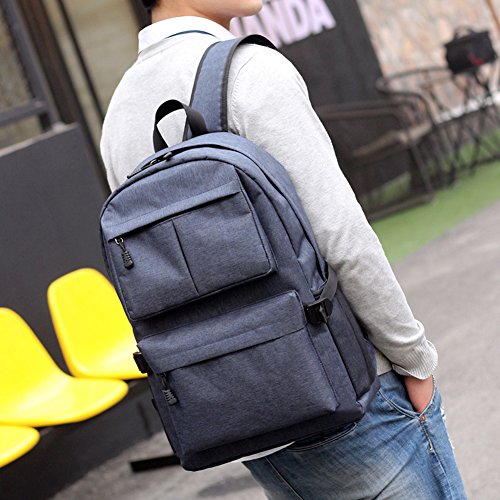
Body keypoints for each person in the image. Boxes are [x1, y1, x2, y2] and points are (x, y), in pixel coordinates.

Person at [101, 1, 467, 498]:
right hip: (351, 393)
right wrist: (413, 358)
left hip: (243, 418)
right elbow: (341, 237)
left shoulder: (119, 111)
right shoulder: (250, 70)